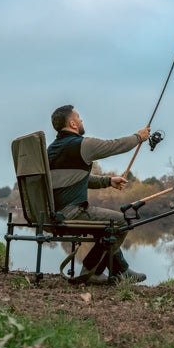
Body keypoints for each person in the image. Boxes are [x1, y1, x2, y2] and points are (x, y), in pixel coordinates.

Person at [47, 104, 149, 285]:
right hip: (70, 212)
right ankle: (92, 271)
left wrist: (108, 181)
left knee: (109, 226)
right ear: (72, 124)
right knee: (121, 222)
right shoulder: (82, 145)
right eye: (78, 117)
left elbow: (77, 178)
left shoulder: (53, 149)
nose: (81, 120)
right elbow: (114, 146)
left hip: (53, 213)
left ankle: (121, 269)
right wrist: (138, 137)